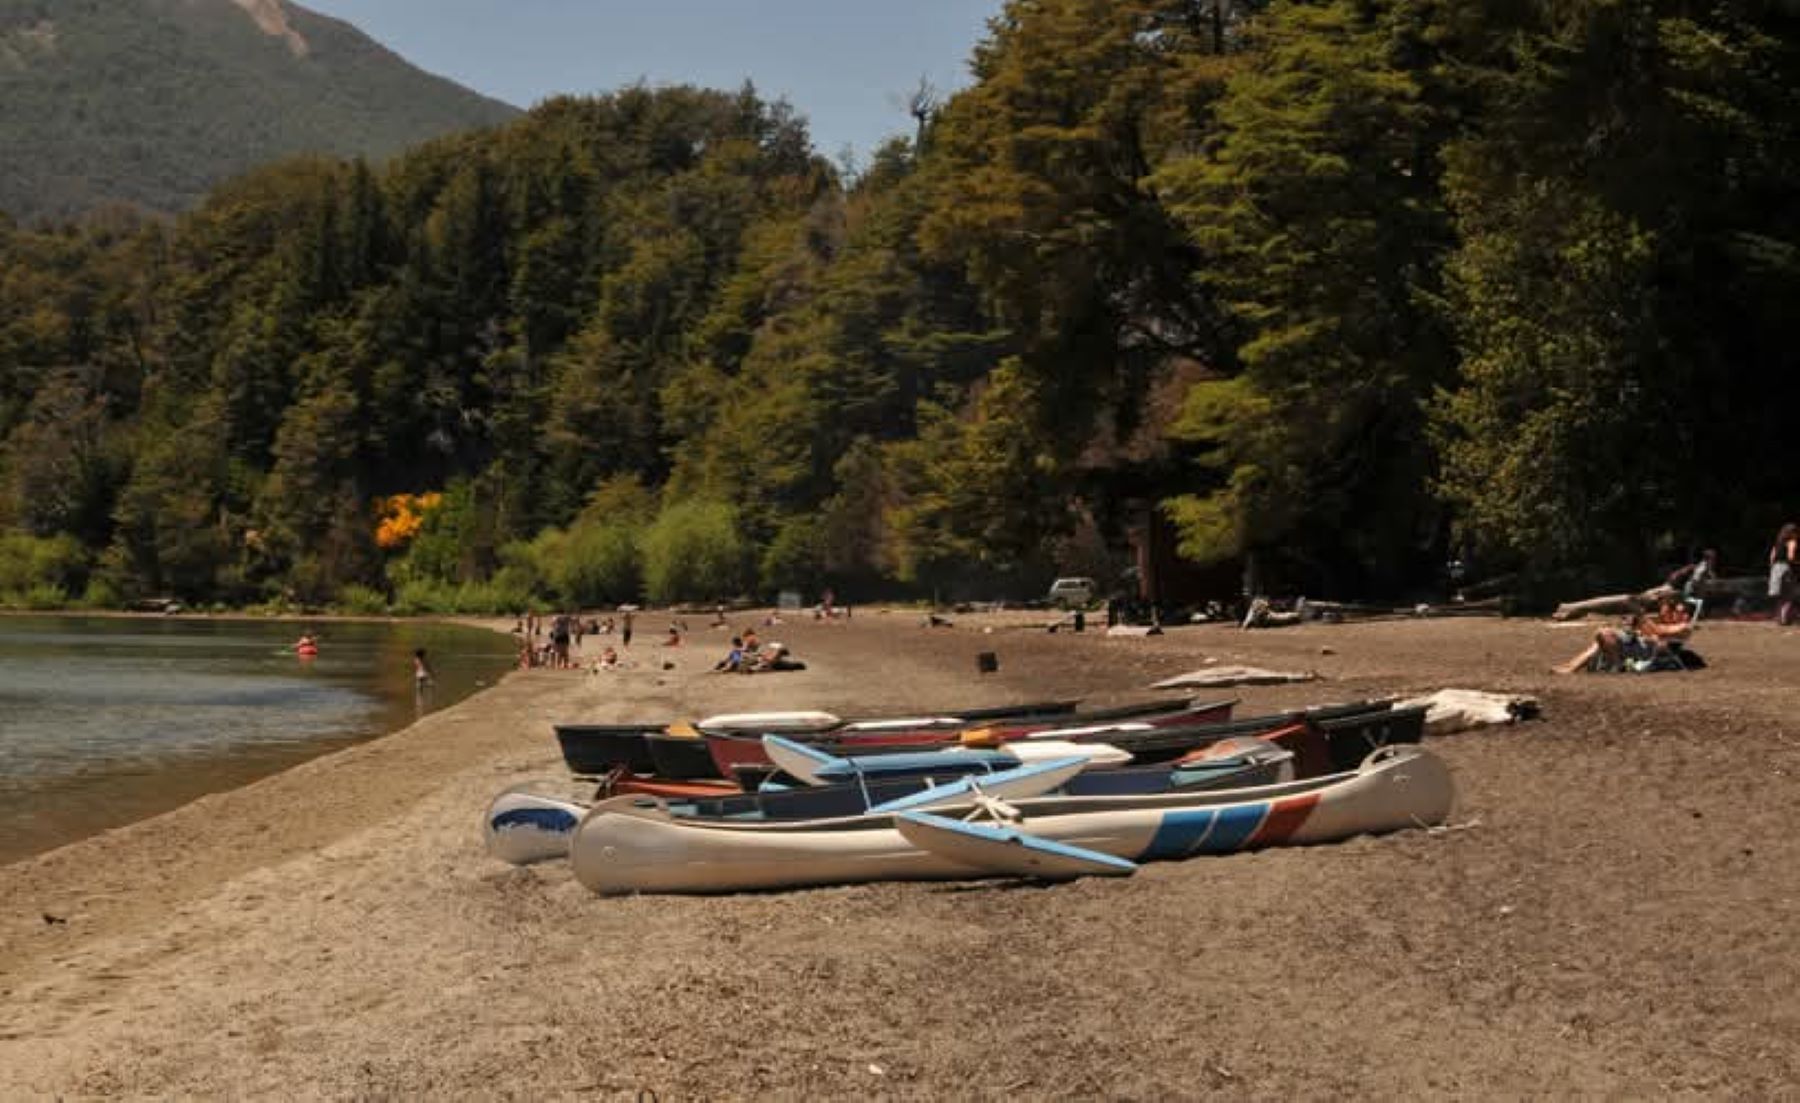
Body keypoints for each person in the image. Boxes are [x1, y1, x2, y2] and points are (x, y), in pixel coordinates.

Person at [1555, 606, 1692, 674]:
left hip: (1643, 651)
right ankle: (1571, 667)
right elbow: (1650, 631)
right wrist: (1637, 623)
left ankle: (1615, 665)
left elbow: (1658, 632)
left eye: (1679, 612)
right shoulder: (1662, 623)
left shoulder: (1684, 627)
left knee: (1603, 633)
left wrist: (1641, 617)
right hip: (1636, 645)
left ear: (1685, 615)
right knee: (1598, 642)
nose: (1673, 614)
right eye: (1672, 611)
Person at [1769, 524, 1798, 626]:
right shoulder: (1792, 542)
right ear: (1793, 533)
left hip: (1775, 569)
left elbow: (1772, 558)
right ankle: (1785, 620)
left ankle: (1779, 619)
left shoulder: (1777, 543)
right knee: (1788, 596)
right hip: (1785, 568)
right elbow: (1791, 557)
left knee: (1780, 596)